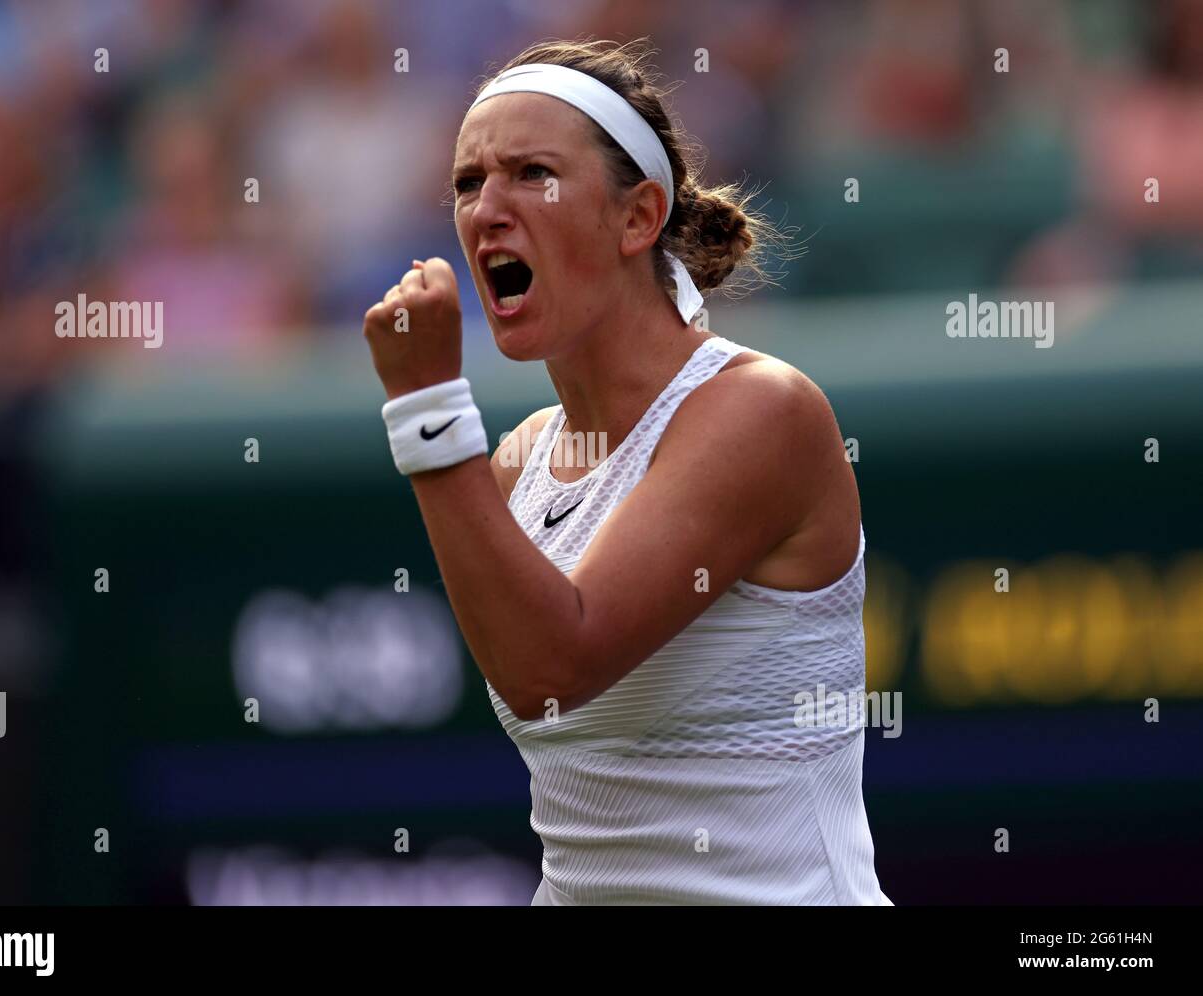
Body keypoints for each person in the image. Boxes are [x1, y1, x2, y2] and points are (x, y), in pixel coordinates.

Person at [363, 38, 890, 905]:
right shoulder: (517, 461)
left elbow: (550, 673)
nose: (486, 209)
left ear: (638, 217)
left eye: (533, 173)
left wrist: (426, 408)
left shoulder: (762, 411)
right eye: (467, 182)